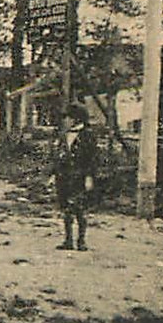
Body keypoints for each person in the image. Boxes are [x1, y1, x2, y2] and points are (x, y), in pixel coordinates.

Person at [53, 104, 99, 251]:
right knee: (65, 209)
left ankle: (81, 240)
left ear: (75, 119)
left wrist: (89, 177)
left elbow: (92, 159)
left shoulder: (88, 135)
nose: (64, 120)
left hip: (79, 177)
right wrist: (53, 174)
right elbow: (57, 158)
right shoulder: (63, 135)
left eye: (67, 117)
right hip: (64, 177)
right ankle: (68, 240)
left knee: (79, 209)